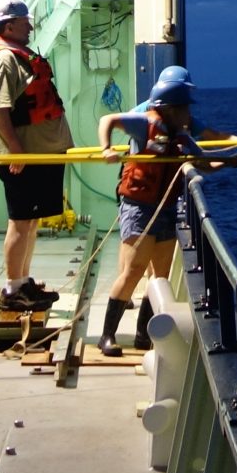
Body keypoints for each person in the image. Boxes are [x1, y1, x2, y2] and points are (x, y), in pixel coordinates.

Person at [94, 65, 221, 352]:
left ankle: (143, 335)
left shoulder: (183, 138)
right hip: (139, 207)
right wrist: (106, 149)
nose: (188, 114)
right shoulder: (144, 124)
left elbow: (205, 164)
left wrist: (231, 159)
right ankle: (107, 335)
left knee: (160, 275)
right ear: (169, 108)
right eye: (184, 108)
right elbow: (108, 119)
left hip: (166, 208)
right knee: (135, 269)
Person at [0, 0, 72, 311]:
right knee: (20, 222)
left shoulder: (20, 57)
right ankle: (11, 291)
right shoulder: (4, 60)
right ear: (9, 25)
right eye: (24, 22)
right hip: (23, 157)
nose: (30, 26)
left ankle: (23, 282)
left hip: (38, 154)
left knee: (31, 221)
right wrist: (16, 150)